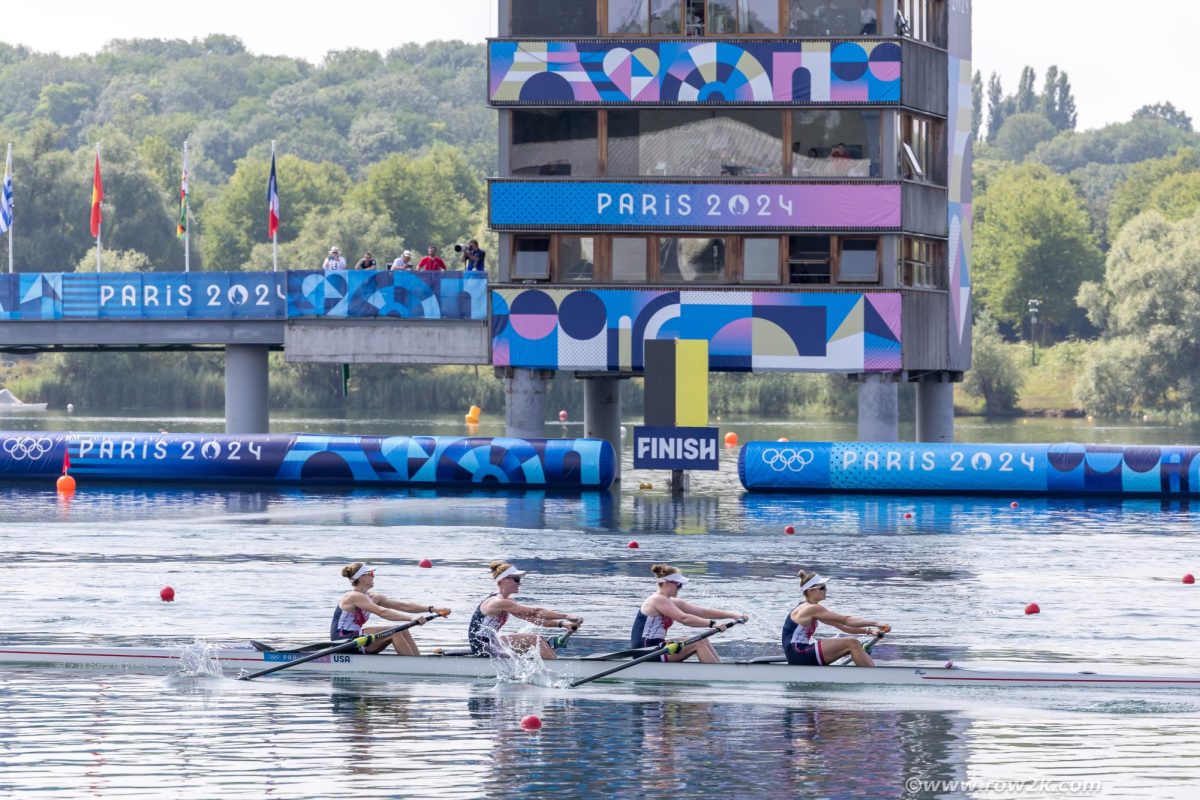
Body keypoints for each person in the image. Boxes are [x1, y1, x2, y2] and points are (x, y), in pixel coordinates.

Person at [631, 564, 748, 664]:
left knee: (703, 639)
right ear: (667, 583)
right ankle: (718, 674)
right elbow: (684, 618)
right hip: (645, 651)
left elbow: (704, 612)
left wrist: (733, 615)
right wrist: (712, 624)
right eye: (679, 584)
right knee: (697, 643)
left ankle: (719, 669)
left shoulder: (673, 602)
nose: (680, 588)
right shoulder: (657, 599)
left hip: (657, 646)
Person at [468, 561, 583, 659]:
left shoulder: (507, 601)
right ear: (503, 580)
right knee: (534, 640)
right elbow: (536, 611)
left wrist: (562, 624)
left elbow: (535, 619)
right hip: (482, 647)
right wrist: (566, 616)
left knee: (538, 641)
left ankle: (548, 663)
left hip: (491, 642)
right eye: (516, 579)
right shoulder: (498, 602)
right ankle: (556, 669)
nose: (520, 583)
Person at [332, 562, 451, 656]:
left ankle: (417, 660)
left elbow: (403, 605)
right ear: (362, 577)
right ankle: (414, 665)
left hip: (358, 639)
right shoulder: (353, 596)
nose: (374, 576)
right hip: (342, 641)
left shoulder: (373, 597)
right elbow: (382, 612)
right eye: (371, 574)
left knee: (403, 629)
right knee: (395, 632)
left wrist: (432, 609)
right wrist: (412, 618)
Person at [782, 570, 890, 667]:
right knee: (852, 643)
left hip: (798, 654)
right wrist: (877, 623)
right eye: (822, 587)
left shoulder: (810, 608)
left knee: (855, 644)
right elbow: (847, 620)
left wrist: (869, 631)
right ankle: (873, 676)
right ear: (810, 591)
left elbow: (843, 626)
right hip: (799, 653)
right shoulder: (811, 608)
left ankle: (873, 672)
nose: (826, 590)